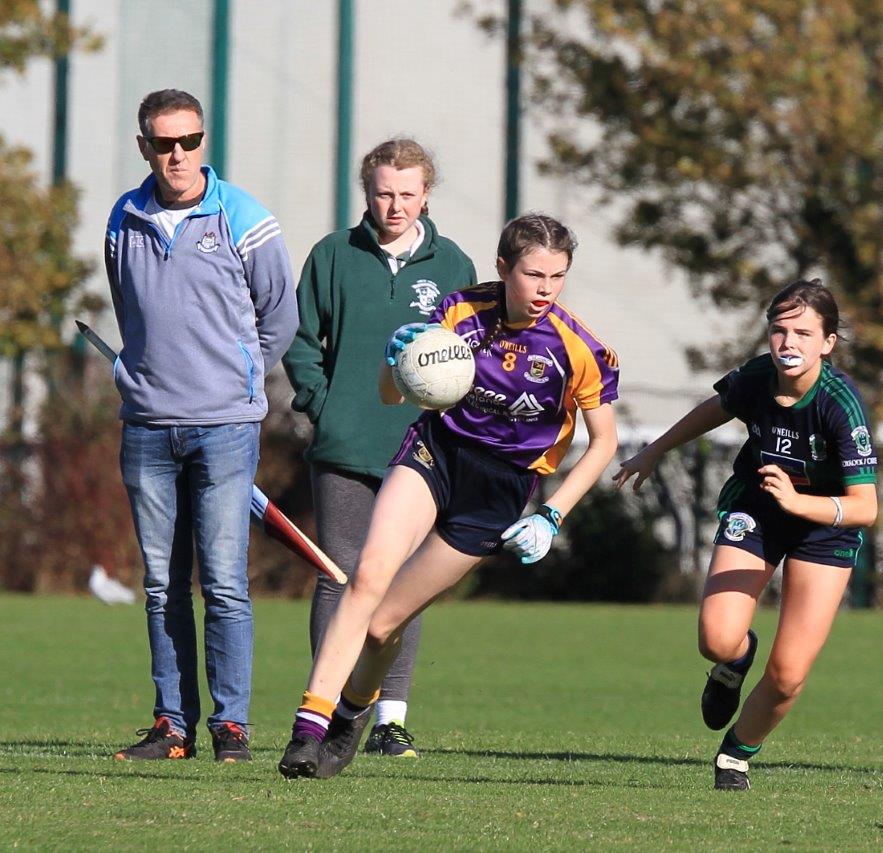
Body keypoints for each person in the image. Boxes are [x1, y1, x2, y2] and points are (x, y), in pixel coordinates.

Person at [277, 213, 620, 779]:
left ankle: (352, 716)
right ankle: (307, 729)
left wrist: (553, 515)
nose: (544, 290)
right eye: (533, 275)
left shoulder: (575, 347)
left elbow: (603, 442)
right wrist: (398, 359)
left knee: (386, 625)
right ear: (503, 267)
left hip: (500, 490)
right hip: (435, 453)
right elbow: (395, 397)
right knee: (364, 579)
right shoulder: (460, 313)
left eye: (557, 277)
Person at [615, 279, 878, 791]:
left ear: (828, 342)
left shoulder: (840, 404)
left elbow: (865, 507)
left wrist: (800, 502)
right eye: (779, 331)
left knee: (787, 676)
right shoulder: (759, 377)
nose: (788, 343)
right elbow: (716, 408)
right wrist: (655, 450)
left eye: (803, 332)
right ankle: (734, 662)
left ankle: (737, 752)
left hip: (825, 530)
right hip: (758, 511)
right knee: (716, 639)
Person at [105, 89, 298, 762]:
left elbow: (280, 316)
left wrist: (239, 383)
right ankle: (172, 724)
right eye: (164, 143)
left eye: (189, 141)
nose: (177, 154)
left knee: (223, 581)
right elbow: (130, 310)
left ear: (203, 142)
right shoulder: (122, 218)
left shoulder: (245, 218)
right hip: (148, 429)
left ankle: (232, 725)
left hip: (224, 429)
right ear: (145, 148)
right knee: (162, 583)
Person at [282, 138, 476, 758]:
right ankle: (327, 708)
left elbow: (470, 357)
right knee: (339, 576)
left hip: (422, 453)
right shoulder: (333, 255)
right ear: (367, 192)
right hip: (344, 446)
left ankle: (389, 718)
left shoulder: (454, 266)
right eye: (384, 192)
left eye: (408, 193)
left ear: (426, 193)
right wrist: (323, 405)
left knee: (402, 583)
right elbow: (300, 340)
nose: (395, 206)